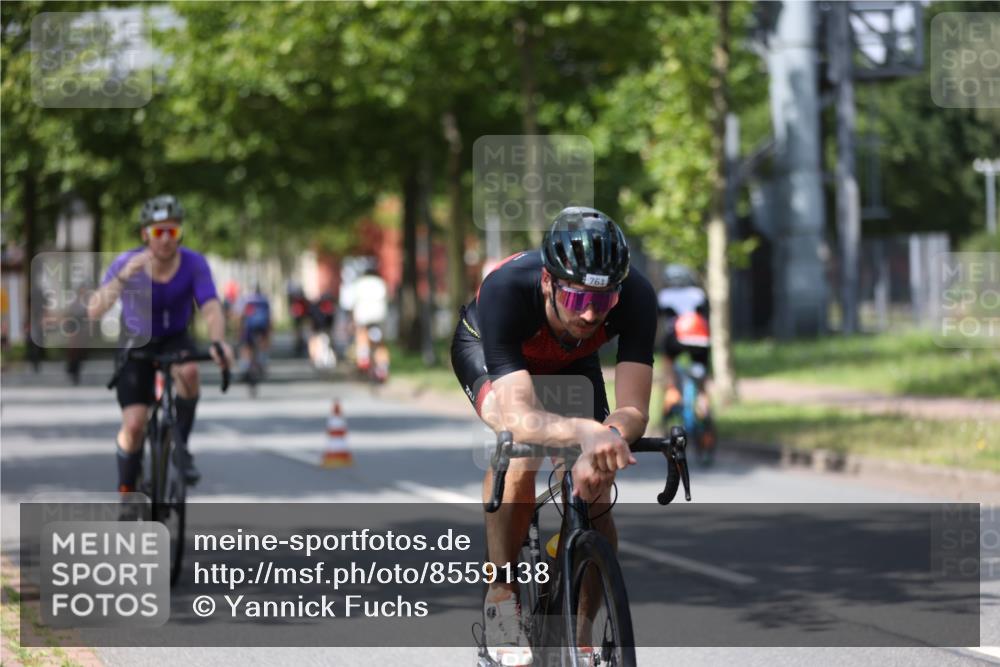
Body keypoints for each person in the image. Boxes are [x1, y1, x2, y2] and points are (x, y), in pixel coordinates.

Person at [450, 206, 656, 665]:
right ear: (548, 282)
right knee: (520, 448)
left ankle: (578, 635)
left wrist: (607, 437)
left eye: (604, 302)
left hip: (571, 359)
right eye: (579, 300)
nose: (592, 314)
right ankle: (502, 596)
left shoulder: (637, 295)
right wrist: (585, 430)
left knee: (596, 489)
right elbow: (521, 416)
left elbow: (634, 409)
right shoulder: (506, 290)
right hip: (492, 352)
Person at [87, 194, 233, 494]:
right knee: (134, 425)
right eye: (158, 231)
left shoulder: (194, 263)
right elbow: (94, 309)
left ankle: (181, 446)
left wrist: (219, 341)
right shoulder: (126, 262)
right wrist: (123, 278)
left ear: (180, 233)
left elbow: (210, 306)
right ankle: (127, 490)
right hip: (136, 340)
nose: (166, 239)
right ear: (145, 234)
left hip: (175, 337)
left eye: (172, 231)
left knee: (189, 372)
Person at [656, 264, 711, 420]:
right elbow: (706, 316)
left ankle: (672, 391)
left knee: (668, 360)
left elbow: (657, 317)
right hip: (700, 339)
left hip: (676, 339)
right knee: (701, 374)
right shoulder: (699, 294)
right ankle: (703, 404)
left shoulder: (664, 295)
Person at [349, 264, 390, 381]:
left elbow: (353, 302)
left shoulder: (359, 283)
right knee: (380, 344)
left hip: (363, 316)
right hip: (378, 317)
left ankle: (363, 356)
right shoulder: (380, 283)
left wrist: (352, 320)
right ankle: (382, 367)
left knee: (362, 335)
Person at [236, 284, 272, 381]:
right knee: (263, 345)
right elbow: (269, 317)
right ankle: (262, 364)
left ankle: (245, 369)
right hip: (262, 327)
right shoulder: (265, 300)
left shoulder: (246, 299)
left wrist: (239, 330)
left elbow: (241, 316)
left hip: (249, 327)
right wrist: (269, 332)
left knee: (246, 347)